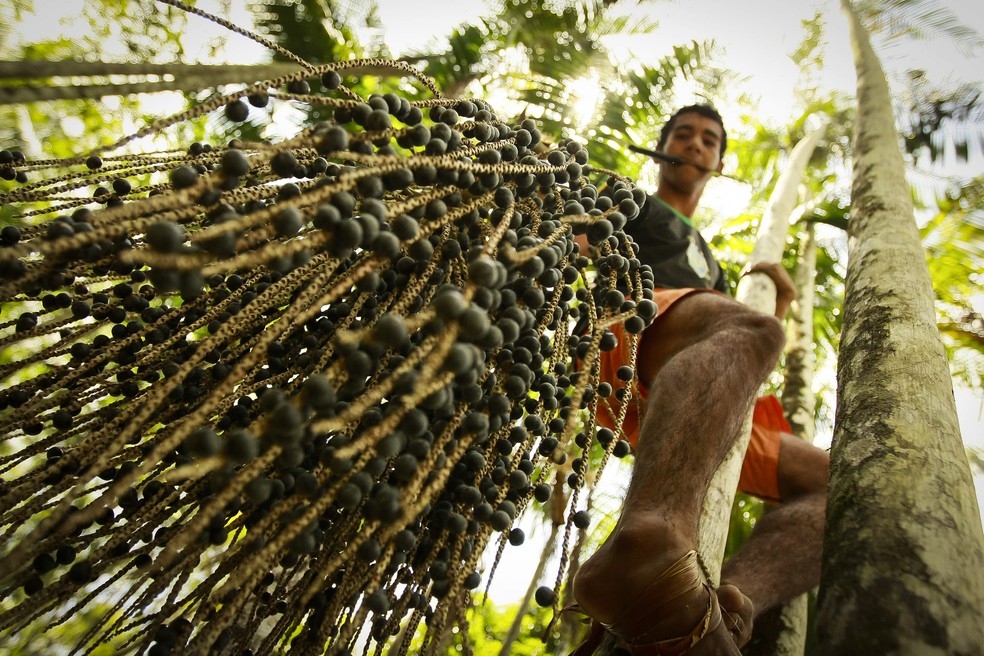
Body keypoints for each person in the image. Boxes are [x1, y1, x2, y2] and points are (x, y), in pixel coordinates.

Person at [570, 104, 830, 655]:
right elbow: (571, 240)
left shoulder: (710, 262)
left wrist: (775, 304)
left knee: (837, 489)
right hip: (629, 330)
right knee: (751, 329)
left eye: (708, 140)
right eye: (683, 135)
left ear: (717, 161)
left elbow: (734, 353)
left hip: (688, 396)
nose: (694, 145)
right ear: (662, 146)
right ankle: (651, 540)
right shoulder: (633, 201)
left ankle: (724, 605)